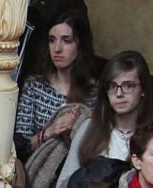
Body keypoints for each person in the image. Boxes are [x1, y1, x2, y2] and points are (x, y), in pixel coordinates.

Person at [40, 52, 153, 188]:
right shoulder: (90, 127)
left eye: (128, 86)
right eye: (112, 86)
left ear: (143, 89)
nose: (119, 93)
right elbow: (65, 183)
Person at [14, 9, 101, 154]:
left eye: (67, 40)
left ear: (81, 44)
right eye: (52, 40)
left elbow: (95, 143)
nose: (57, 49)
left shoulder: (93, 92)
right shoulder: (34, 86)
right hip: (36, 163)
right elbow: (21, 146)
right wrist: (50, 131)